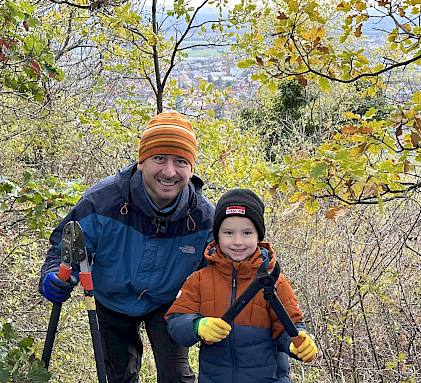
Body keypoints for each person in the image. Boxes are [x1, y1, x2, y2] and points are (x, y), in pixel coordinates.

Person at [38, 111, 215, 383]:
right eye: (159, 158)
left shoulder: (203, 218)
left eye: (180, 161)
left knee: (176, 378)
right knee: (121, 376)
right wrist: (55, 275)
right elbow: (66, 245)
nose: (169, 172)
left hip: (169, 303)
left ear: (191, 169)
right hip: (112, 299)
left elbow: (219, 270)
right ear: (142, 161)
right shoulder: (103, 201)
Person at [165, 189, 318, 383]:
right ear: (217, 235)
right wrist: (197, 325)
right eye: (228, 232)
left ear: (258, 236)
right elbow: (175, 322)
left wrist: (297, 343)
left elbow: (289, 327)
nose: (237, 241)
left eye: (247, 233)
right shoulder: (199, 280)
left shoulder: (275, 283)